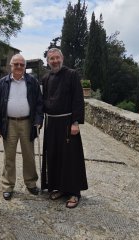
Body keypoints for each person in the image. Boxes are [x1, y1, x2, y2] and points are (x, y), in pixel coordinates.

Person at [41, 48, 88, 208]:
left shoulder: (72, 75)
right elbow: (43, 100)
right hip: (52, 124)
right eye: (51, 58)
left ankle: (74, 192)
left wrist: (75, 122)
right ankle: (60, 188)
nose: (54, 61)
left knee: (71, 158)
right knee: (55, 156)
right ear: (48, 62)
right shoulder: (46, 77)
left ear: (62, 58)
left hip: (68, 123)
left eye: (57, 58)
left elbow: (78, 99)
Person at [0, 54, 43, 200]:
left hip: (28, 122)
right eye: (16, 64)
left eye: (22, 64)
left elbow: (39, 103)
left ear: (25, 66)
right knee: (9, 156)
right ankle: (8, 185)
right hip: (9, 123)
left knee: (29, 155)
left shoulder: (32, 82)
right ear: (11, 65)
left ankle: (31, 183)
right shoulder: (2, 83)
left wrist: (39, 119)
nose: (19, 67)